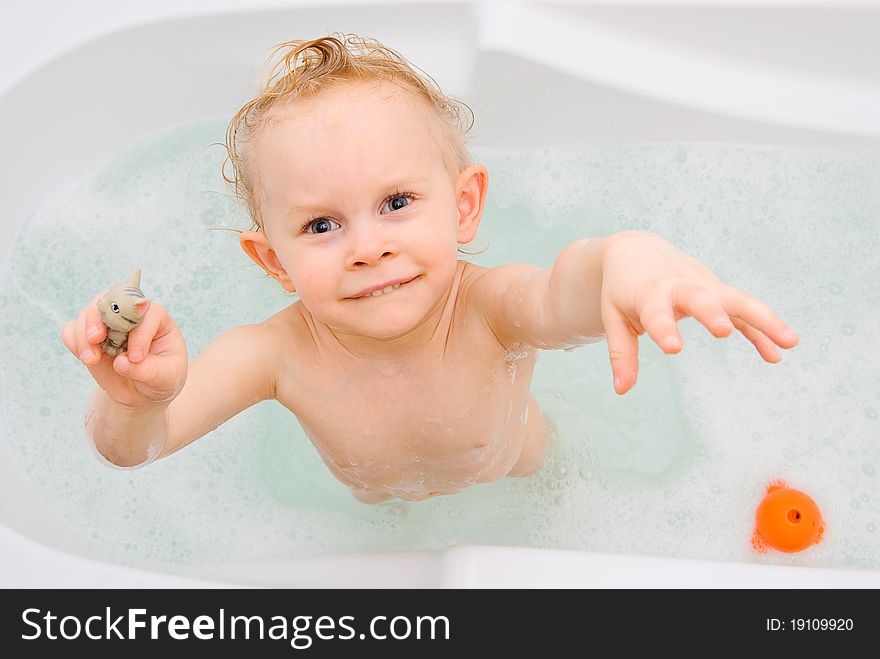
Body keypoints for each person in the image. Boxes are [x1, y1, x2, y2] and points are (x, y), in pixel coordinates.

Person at [61, 35, 799, 503]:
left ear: (465, 206)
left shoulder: (489, 309)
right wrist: (134, 403)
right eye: (321, 224)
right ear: (272, 259)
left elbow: (564, 290)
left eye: (397, 202)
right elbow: (139, 450)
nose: (367, 246)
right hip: (379, 501)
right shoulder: (273, 354)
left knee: (547, 479)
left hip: (519, 464)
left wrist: (626, 258)